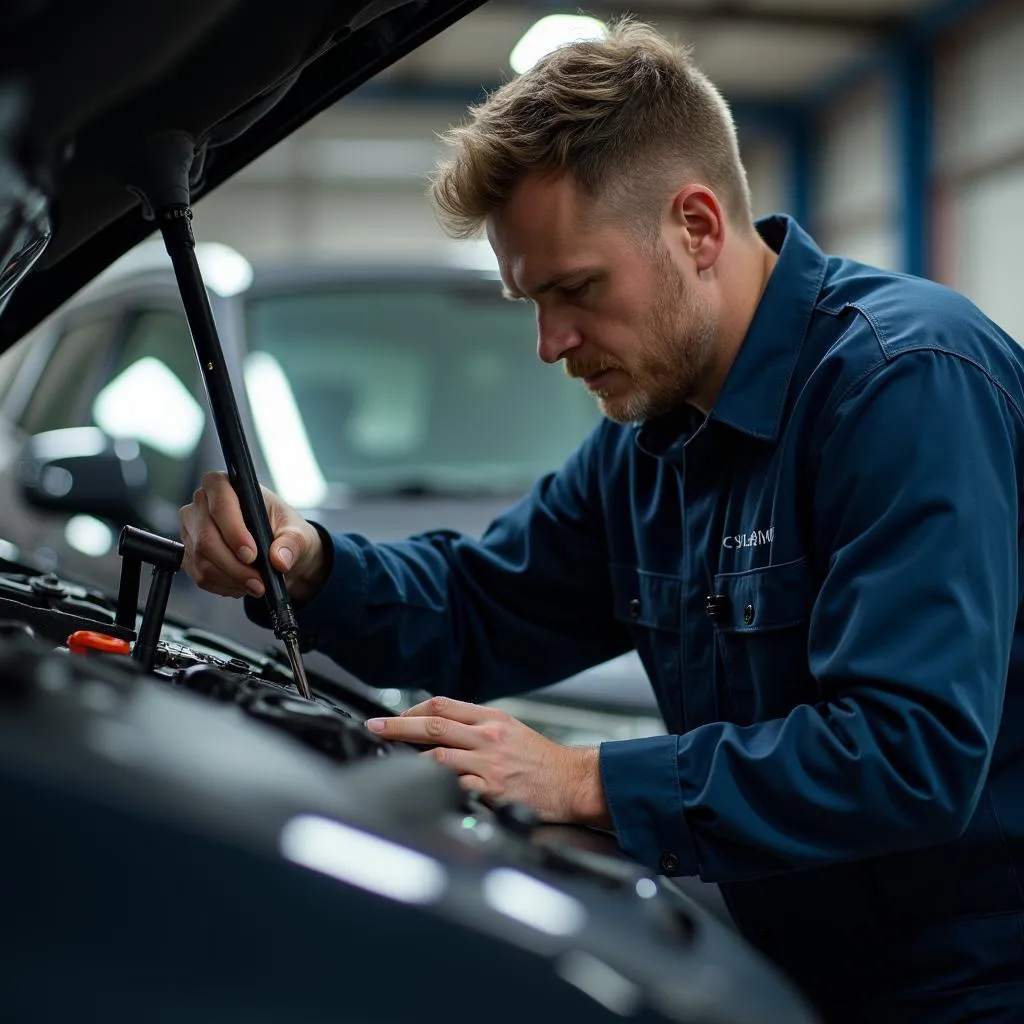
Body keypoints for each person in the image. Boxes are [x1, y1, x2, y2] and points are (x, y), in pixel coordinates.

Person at [179, 19, 1024, 1023]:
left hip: (979, 981)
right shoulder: (653, 444)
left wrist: (588, 780)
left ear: (697, 228)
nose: (550, 343)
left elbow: (908, 753)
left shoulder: (902, 384)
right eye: (530, 299)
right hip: (809, 967)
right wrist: (308, 560)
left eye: (576, 289)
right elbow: (485, 602)